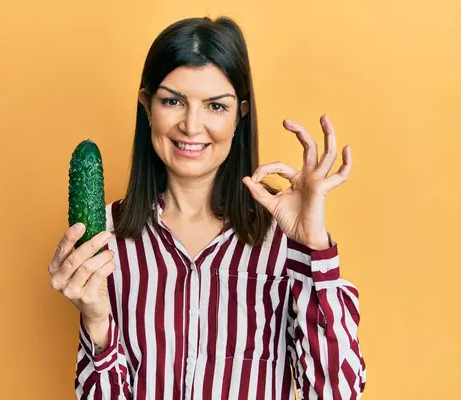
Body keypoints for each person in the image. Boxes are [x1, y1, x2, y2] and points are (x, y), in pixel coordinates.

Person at [48, 16, 366, 400]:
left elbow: (336, 393)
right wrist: (96, 321)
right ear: (147, 106)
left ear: (240, 115)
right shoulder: (105, 240)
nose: (192, 126)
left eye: (215, 106)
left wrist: (312, 246)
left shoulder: (287, 241)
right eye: (173, 101)